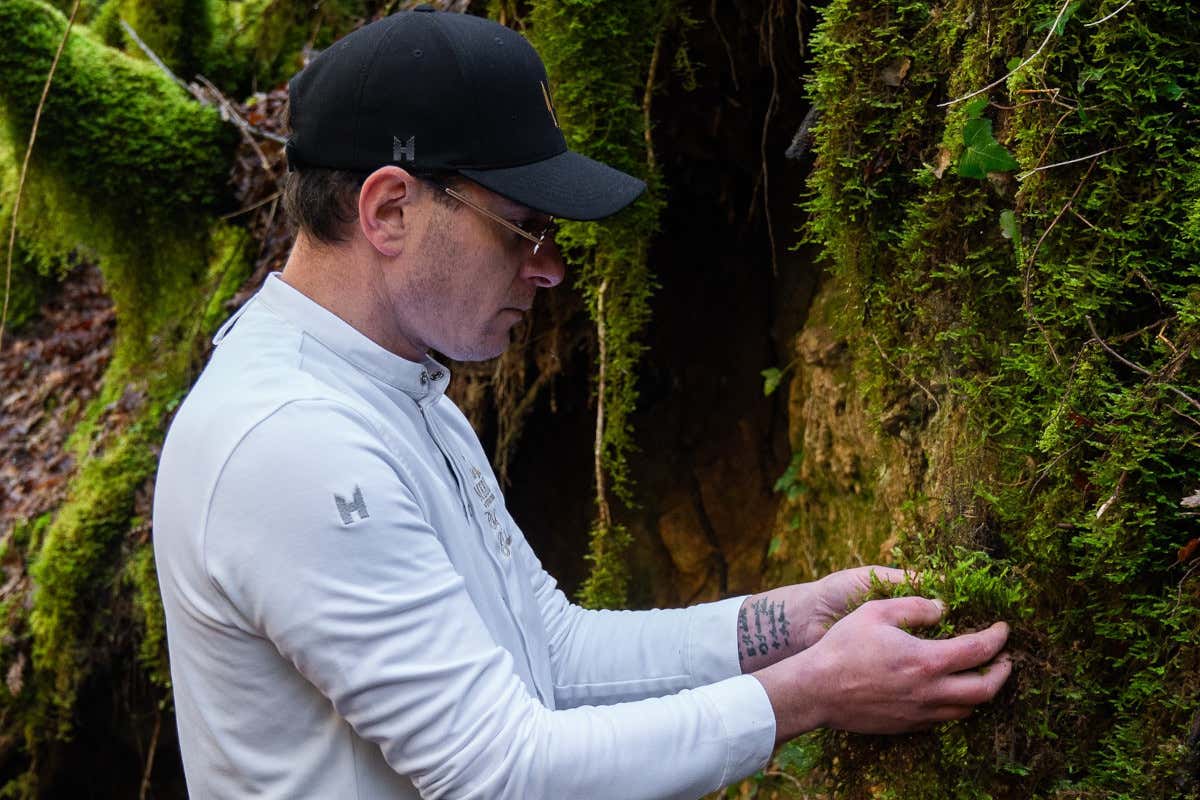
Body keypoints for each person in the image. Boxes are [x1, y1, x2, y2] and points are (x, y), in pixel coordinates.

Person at [152, 8, 1012, 799]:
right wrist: (809, 695)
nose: (551, 267)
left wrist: (788, 621)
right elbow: (499, 770)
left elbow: (553, 655)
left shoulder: (399, 395)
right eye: (526, 225)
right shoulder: (293, 443)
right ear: (388, 210)